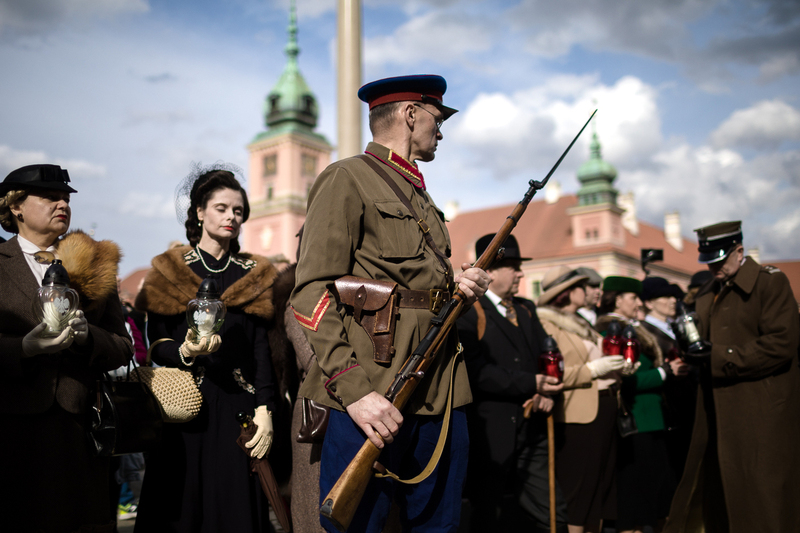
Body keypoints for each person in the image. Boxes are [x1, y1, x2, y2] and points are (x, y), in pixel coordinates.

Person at [290, 74, 490, 533]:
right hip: (373, 388)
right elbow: (310, 290)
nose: (440, 131)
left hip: (439, 387)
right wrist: (355, 391)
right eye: (436, 119)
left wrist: (457, 284)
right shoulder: (346, 178)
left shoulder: (421, 194)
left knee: (439, 525)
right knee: (360, 524)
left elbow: (410, 283)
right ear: (410, 113)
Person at [134, 164, 281, 533]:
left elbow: (262, 351)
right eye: (222, 208)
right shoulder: (168, 269)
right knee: (180, 512)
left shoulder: (255, 273)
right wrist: (185, 352)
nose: (231, 216)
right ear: (200, 211)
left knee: (233, 513)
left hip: (237, 410)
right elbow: (157, 344)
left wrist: (265, 407)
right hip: (183, 409)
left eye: (238, 211)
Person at [0, 164, 132, 531]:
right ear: (16, 207)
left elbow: (123, 347)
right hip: (12, 427)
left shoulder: (95, 262)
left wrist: (88, 336)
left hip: (80, 428)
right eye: (50, 196)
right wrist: (22, 349)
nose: (63, 203)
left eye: (66, 197)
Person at [665, 221, 800, 532]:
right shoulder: (707, 292)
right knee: (715, 498)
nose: (713, 268)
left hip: (762, 411)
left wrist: (720, 356)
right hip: (714, 413)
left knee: (764, 499)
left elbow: (782, 344)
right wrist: (689, 347)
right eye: (708, 261)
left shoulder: (770, 283)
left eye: (719, 260)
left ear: (739, 251)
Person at [457, 235, 566, 533]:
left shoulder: (527, 308)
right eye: (514, 266)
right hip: (491, 437)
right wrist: (532, 384)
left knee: (552, 513)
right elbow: (476, 371)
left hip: (534, 429)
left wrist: (549, 389)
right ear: (490, 271)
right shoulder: (467, 311)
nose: (521, 274)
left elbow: (550, 354)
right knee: (488, 515)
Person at [536, 266, 626, 533]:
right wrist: (594, 370)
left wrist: (618, 367)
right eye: (580, 285)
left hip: (605, 408)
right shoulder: (547, 321)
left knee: (599, 490)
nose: (586, 290)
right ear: (564, 292)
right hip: (579, 414)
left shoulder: (582, 321)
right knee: (580, 492)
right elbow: (554, 371)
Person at [595, 277, 685, 533]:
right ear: (618, 299)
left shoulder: (629, 327)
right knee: (635, 497)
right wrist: (664, 373)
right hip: (636, 420)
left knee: (656, 493)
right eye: (633, 298)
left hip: (652, 418)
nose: (638, 303)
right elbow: (624, 379)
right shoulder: (611, 331)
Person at [639, 277, 696, 481]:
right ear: (648, 302)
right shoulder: (643, 331)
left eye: (674, 296)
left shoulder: (676, 327)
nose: (673, 301)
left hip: (686, 402)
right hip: (666, 405)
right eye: (665, 296)